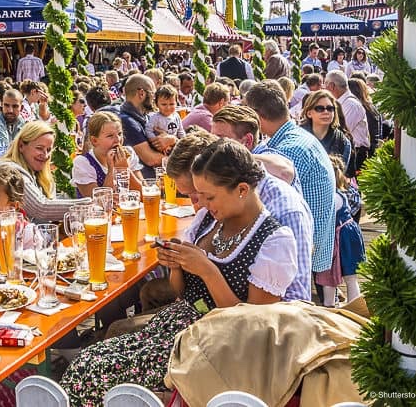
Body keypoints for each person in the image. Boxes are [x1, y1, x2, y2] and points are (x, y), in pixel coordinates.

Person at [60, 139, 297, 406]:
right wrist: (176, 265)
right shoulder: (208, 220)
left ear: (242, 189)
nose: (202, 204)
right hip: (177, 328)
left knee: (91, 374)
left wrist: (208, 271)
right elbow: (180, 293)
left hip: (215, 348)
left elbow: (254, 329)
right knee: (88, 360)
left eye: (209, 196)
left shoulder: (275, 241)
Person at [244, 82, 337, 307]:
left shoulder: (283, 151)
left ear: (257, 115)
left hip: (303, 247)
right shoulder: (297, 137)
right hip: (319, 239)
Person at [209, 108, 314, 302]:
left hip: (268, 322)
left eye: (220, 140)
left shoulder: (283, 206)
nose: (212, 149)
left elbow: (297, 296)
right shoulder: (228, 190)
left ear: (247, 142)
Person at [0, 121, 88, 223]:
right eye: (39, 148)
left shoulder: (36, 172)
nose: (45, 155)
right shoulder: (10, 170)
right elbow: (41, 208)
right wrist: (89, 204)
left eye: (48, 150)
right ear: (21, 146)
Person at [315, 155, 366, 307]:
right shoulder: (341, 193)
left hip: (338, 237)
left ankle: (330, 305)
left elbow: (324, 220)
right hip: (350, 233)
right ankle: (351, 305)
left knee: (330, 275)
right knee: (350, 276)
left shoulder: (330, 196)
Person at [112, 74, 176, 178]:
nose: (155, 100)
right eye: (154, 94)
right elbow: (151, 159)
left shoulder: (143, 116)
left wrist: (172, 139)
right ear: (141, 93)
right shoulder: (126, 121)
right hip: (146, 185)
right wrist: (181, 160)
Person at [72, 112, 143, 198]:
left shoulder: (128, 154)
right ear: (94, 141)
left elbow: (143, 195)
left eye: (120, 134)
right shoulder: (83, 163)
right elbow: (99, 202)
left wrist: (125, 169)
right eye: (110, 136)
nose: (118, 140)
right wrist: (112, 170)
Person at [299, 90, 353, 174]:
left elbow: (341, 175)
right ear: (309, 113)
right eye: (319, 109)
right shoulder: (297, 136)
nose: (326, 112)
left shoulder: (342, 141)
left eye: (330, 108)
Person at [325, 70, 369, 174]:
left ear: (331, 86)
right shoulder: (343, 102)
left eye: (325, 84)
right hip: (346, 151)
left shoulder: (351, 105)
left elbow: (339, 130)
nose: (323, 87)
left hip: (356, 155)